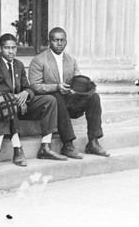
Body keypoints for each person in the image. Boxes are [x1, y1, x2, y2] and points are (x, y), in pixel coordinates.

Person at [0, 33, 67, 165]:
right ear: (0, 49)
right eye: (7, 48)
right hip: (1, 107)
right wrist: (15, 98)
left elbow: (29, 87)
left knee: (50, 100)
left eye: (14, 48)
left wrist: (25, 94)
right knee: (7, 103)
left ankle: (45, 146)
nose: (11, 51)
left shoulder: (19, 65)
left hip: (21, 105)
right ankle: (14, 150)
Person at [28, 27, 109, 158]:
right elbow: (34, 86)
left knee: (94, 97)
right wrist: (56, 87)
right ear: (49, 41)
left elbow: (77, 80)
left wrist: (87, 88)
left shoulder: (71, 60)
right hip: (50, 102)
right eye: (56, 40)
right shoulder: (39, 60)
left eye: (62, 40)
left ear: (66, 42)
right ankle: (68, 144)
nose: (59, 43)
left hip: (68, 100)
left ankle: (93, 142)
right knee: (57, 96)